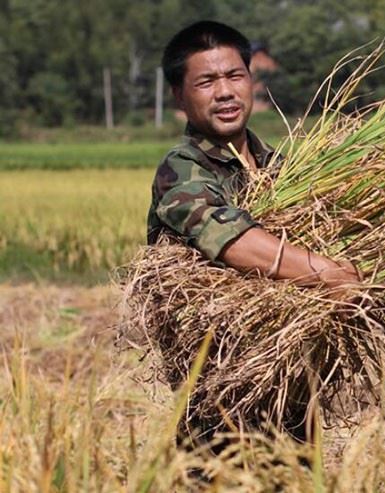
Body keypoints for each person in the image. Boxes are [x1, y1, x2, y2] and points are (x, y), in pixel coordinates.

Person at [146, 20, 362, 452]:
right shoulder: (183, 170)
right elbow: (231, 239)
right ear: (179, 96)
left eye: (234, 76)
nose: (224, 92)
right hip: (220, 404)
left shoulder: (283, 169)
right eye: (206, 81)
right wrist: (331, 275)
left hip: (295, 393)